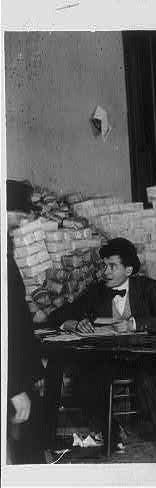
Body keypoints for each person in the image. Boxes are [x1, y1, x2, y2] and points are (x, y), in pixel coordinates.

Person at [45, 238, 156, 462]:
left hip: (143, 357)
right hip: (110, 359)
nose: (105, 271)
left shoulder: (148, 288)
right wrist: (74, 324)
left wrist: (134, 324)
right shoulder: (96, 291)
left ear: (129, 269)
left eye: (112, 266)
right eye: (104, 265)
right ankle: (111, 432)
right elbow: (57, 316)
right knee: (86, 378)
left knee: (148, 379)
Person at [5, 180, 45, 464]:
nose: (20, 223)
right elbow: (8, 328)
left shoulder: (6, 247)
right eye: (17, 215)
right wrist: (17, 387)